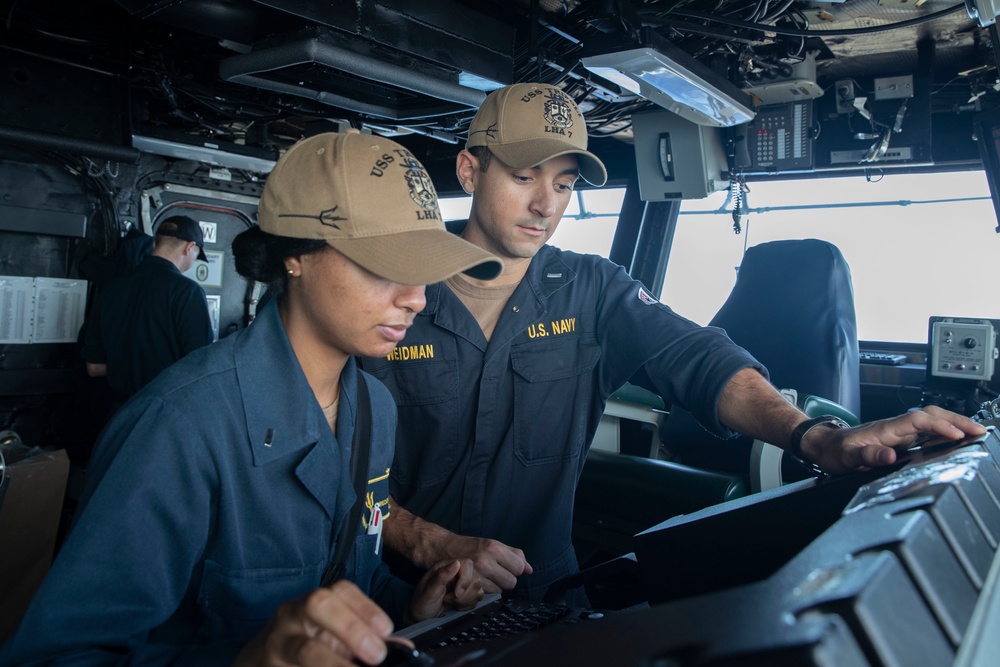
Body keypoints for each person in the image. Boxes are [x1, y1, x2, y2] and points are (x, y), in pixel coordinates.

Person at [359, 82, 988, 604]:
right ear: (470, 170)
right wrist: (427, 543)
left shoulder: (593, 290)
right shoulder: (392, 291)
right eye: (524, 176)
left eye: (566, 182)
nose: (546, 204)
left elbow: (700, 359)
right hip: (406, 593)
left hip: (540, 593)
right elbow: (333, 464)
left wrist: (816, 438)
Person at [0, 130, 503, 666]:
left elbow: (352, 575)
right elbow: (58, 657)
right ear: (296, 258)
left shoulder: (374, 408)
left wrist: (413, 607)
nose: (417, 299)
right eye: (386, 264)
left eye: (423, 272)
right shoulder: (180, 426)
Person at [81, 214, 214, 411]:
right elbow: (199, 367)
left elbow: (93, 368)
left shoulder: (112, 288)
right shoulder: (187, 291)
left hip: (116, 413)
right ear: (189, 247)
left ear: (154, 244)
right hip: (163, 412)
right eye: (196, 254)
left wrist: (129, 372)